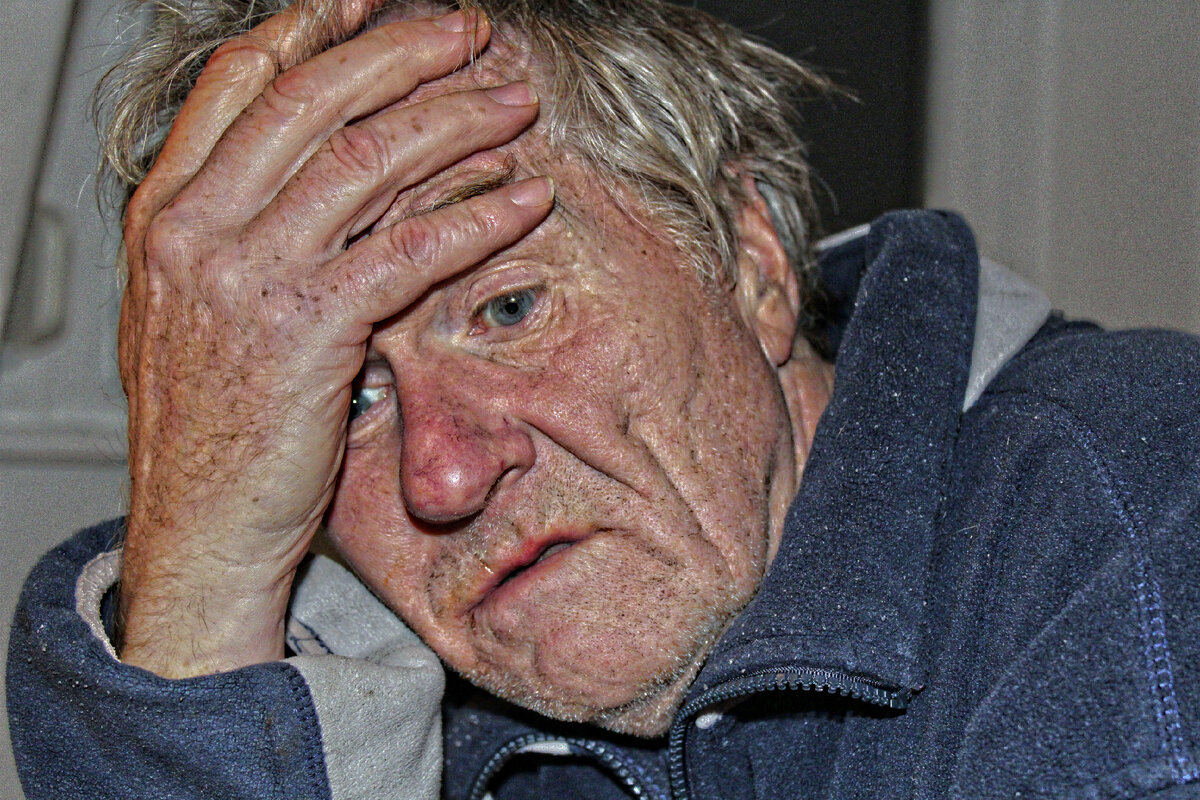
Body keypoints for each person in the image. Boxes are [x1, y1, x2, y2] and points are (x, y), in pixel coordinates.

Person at [8, 0, 1200, 798]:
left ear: (750, 259)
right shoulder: (341, 679)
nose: (444, 472)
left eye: (508, 308)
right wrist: (201, 597)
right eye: (350, 398)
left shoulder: (1145, 531)